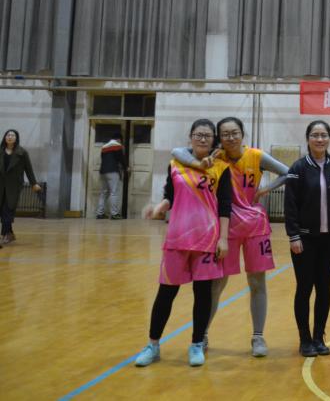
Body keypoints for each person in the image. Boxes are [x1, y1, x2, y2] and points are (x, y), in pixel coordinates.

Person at [172, 116, 290, 357]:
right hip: (227, 228)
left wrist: (266, 189)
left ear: (242, 134)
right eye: (225, 134)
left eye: (234, 132)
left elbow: (288, 172)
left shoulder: (256, 156)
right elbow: (177, 152)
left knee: (257, 282)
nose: (230, 137)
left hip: (255, 226)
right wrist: (200, 162)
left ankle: (258, 337)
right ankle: (202, 335)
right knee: (217, 284)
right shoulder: (216, 157)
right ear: (219, 138)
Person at [134, 120, 231, 367]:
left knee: (203, 295)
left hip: (207, 239)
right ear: (190, 137)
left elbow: (225, 206)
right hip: (177, 238)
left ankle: (197, 344)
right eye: (198, 134)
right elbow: (170, 195)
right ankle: (153, 345)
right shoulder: (175, 164)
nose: (202, 139)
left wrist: (223, 238)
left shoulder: (221, 168)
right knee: (166, 293)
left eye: (207, 135)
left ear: (214, 140)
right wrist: (159, 207)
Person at [285, 120, 330, 357]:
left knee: (324, 289)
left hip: (328, 239)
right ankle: (304, 339)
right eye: (315, 135)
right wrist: (293, 235)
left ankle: (319, 337)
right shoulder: (298, 168)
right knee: (304, 289)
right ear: (308, 139)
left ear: (329, 138)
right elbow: (290, 205)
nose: (319, 139)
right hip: (304, 239)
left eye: (323, 135)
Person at [0, 129, 41, 245]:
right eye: (8, 135)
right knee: (3, 211)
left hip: (14, 186)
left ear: (16, 138)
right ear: (5, 137)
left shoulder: (22, 153)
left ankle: (5, 234)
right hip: (1, 185)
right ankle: (10, 233)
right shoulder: (0, 151)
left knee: (8, 209)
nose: (10, 137)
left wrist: (34, 183)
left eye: (12, 135)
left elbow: (28, 169)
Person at [96, 131, 129, 220]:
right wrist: (126, 168)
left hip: (103, 172)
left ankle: (100, 213)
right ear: (119, 139)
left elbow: (103, 159)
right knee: (114, 192)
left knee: (103, 193)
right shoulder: (117, 146)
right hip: (113, 171)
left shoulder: (104, 147)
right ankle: (114, 214)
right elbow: (121, 159)